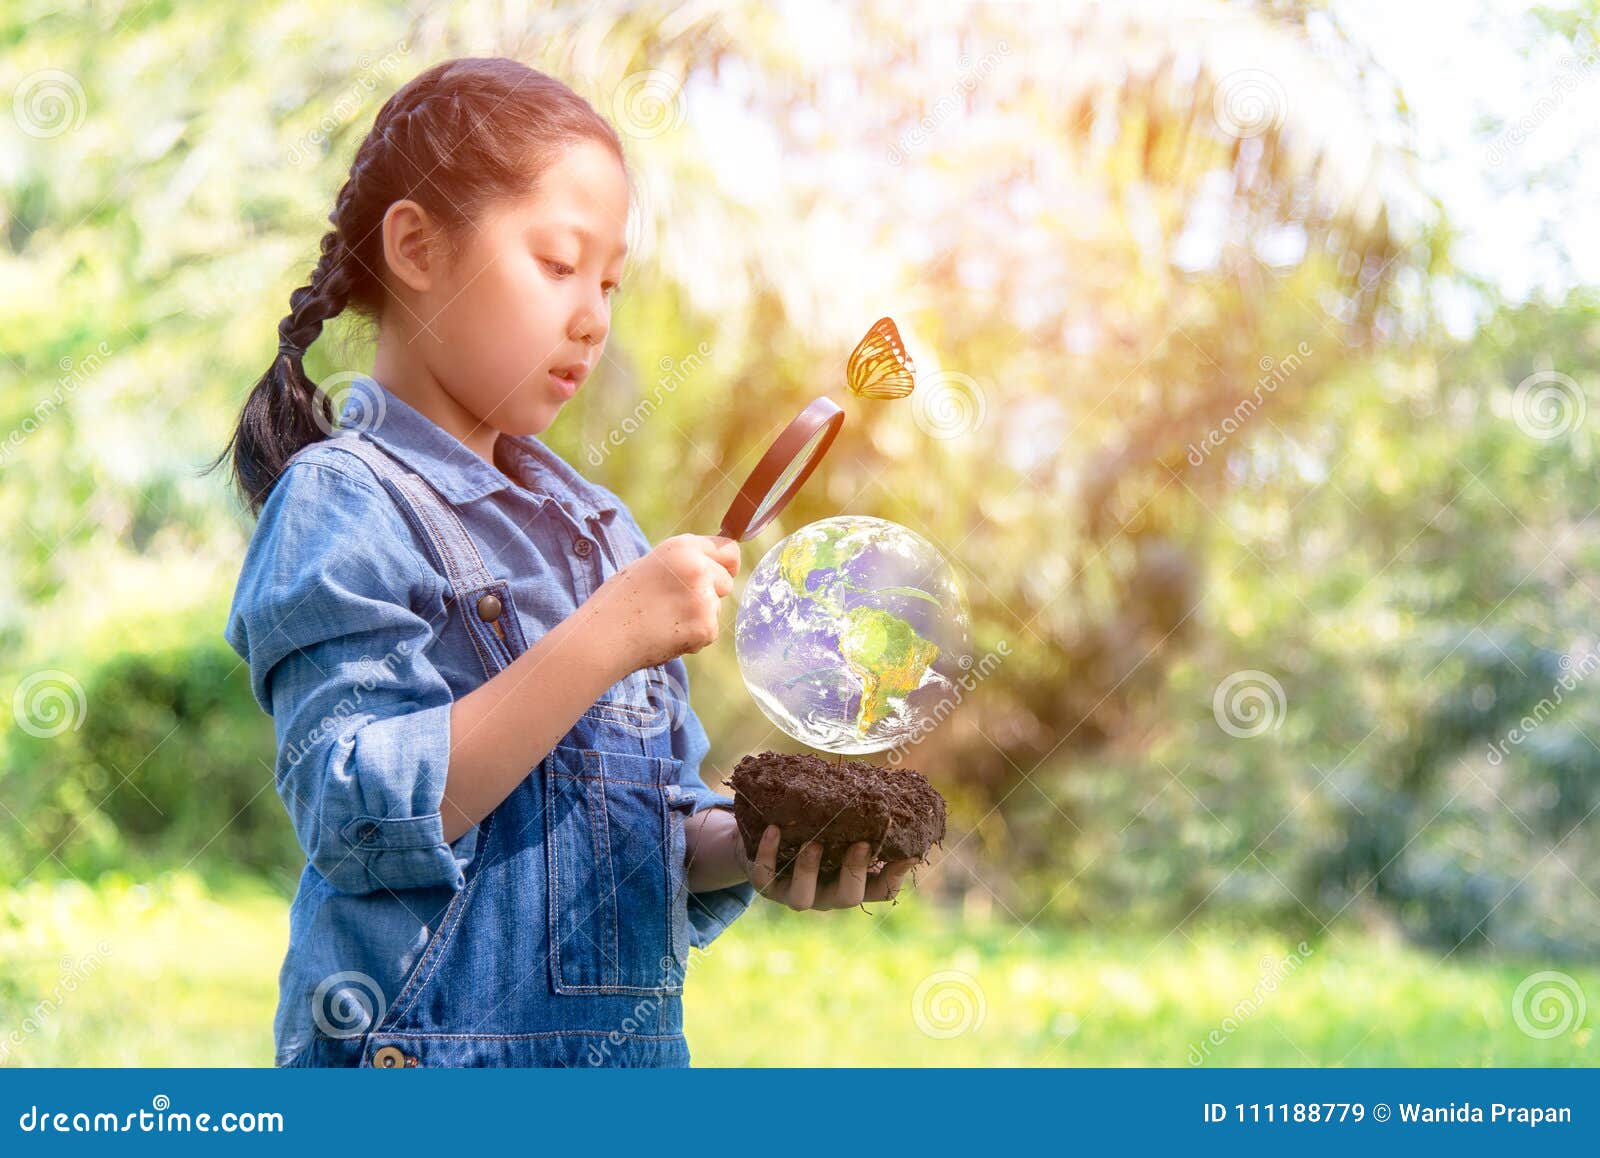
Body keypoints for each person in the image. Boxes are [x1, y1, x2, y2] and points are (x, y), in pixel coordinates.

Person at [212, 57, 918, 1068]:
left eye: (609, 282)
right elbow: (355, 814)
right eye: (555, 264)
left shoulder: (600, 529)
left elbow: (651, 829)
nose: (592, 314)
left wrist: (759, 849)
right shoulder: (344, 500)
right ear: (414, 245)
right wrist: (604, 637)